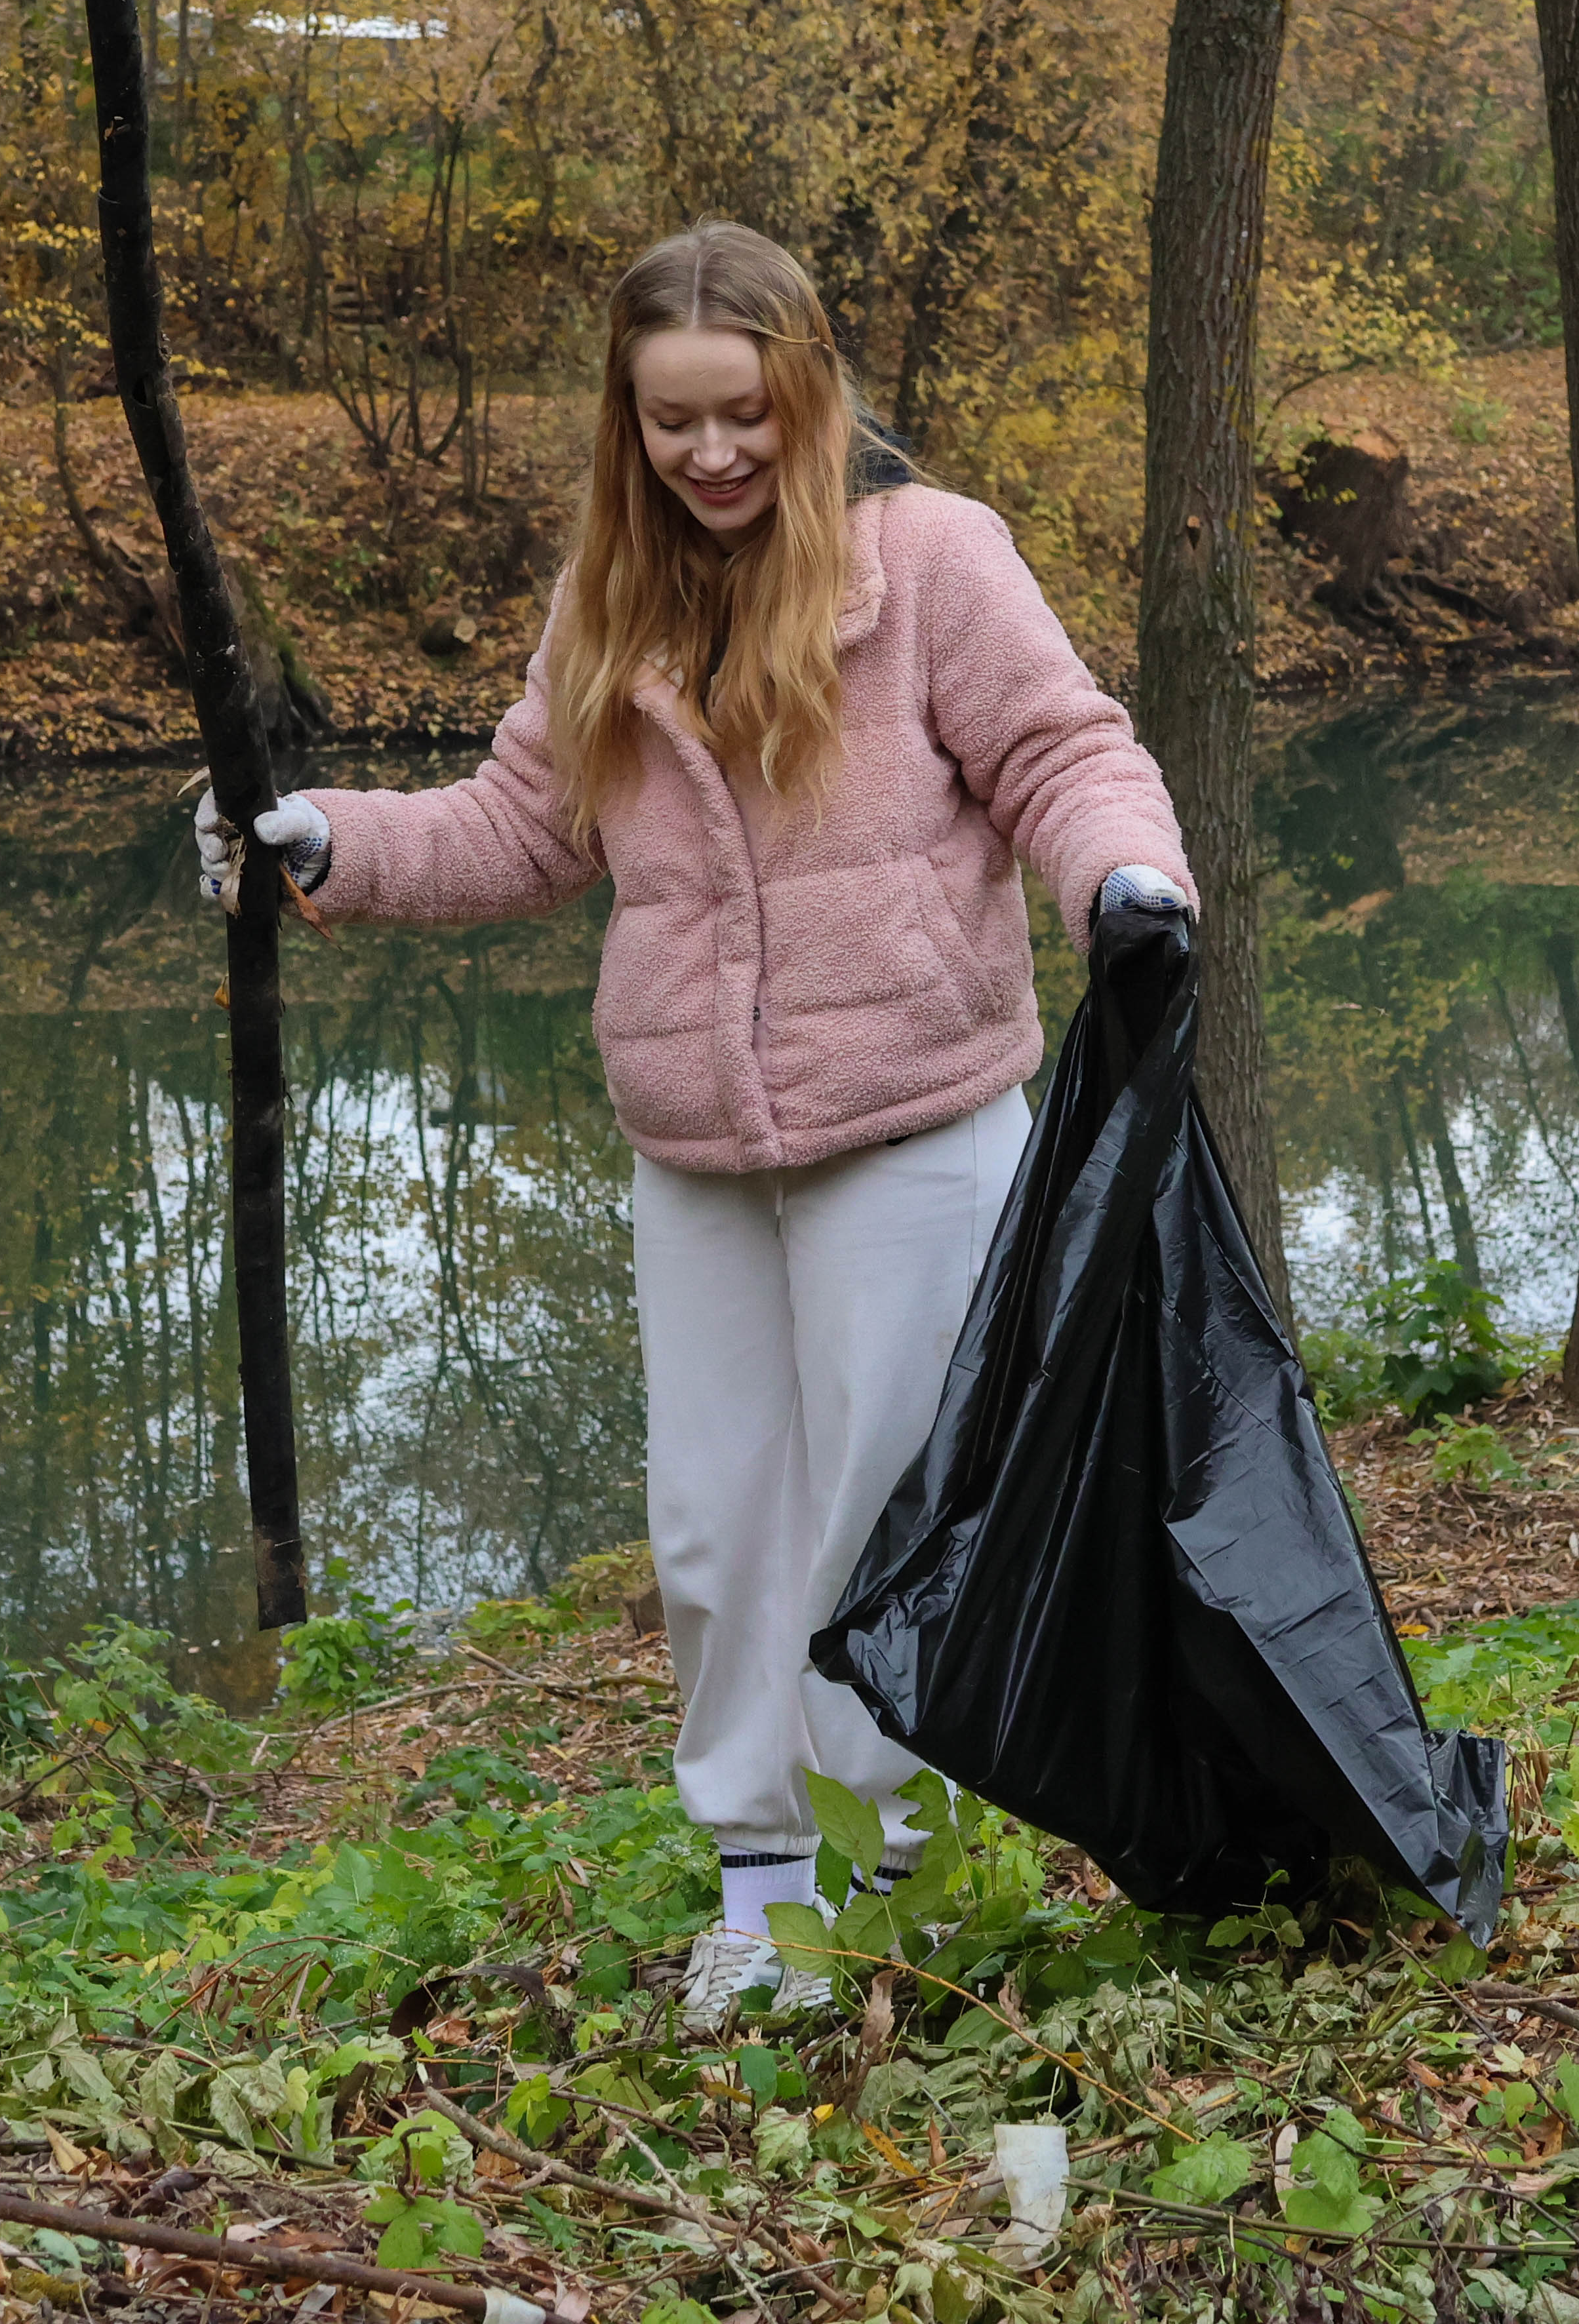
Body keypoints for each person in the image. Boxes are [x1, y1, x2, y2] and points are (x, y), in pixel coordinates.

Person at [190, 220, 1189, 2027]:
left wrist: (1125, 879)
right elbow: (523, 824)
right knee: (721, 1528)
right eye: (672, 426)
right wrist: (330, 841)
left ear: (808, 394)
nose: (712, 457)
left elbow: (1063, 752)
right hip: (699, 1151)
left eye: (742, 417)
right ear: (625, 422)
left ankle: (905, 1871)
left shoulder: (936, 560)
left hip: (913, 1121)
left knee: (887, 1515)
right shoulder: (611, 593)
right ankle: (761, 1880)